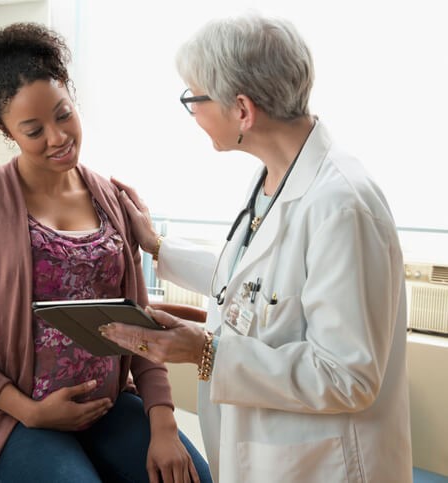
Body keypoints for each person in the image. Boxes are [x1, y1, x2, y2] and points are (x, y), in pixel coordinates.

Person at [100, 13, 412, 483]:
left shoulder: (341, 205)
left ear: (242, 111)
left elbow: (348, 376)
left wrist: (206, 353)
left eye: (194, 98)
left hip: (327, 467)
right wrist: (157, 246)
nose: (194, 113)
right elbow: (259, 284)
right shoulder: (275, 177)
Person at [0, 22, 212, 483]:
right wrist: (28, 411)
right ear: (6, 130)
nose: (57, 138)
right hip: (16, 416)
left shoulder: (112, 199)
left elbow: (138, 320)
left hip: (108, 405)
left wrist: (163, 423)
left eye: (63, 115)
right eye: (33, 130)